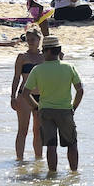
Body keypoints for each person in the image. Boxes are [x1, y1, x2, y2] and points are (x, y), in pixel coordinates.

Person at [24, 35, 84, 173]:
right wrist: (73, 107)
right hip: (65, 111)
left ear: (48, 51)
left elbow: (25, 93)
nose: (42, 53)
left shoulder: (38, 70)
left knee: (51, 145)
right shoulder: (69, 67)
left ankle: (52, 174)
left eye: (43, 50)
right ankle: (74, 173)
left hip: (46, 111)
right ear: (58, 50)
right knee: (72, 144)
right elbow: (80, 91)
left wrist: (36, 107)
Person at [11, 28, 45, 161]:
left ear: (39, 40)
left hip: (41, 97)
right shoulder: (22, 57)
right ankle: (19, 160)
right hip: (24, 96)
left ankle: (38, 160)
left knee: (38, 131)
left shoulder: (45, 56)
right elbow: (16, 78)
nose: (31, 42)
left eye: (33, 39)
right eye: (28, 39)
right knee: (22, 130)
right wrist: (12, 96)